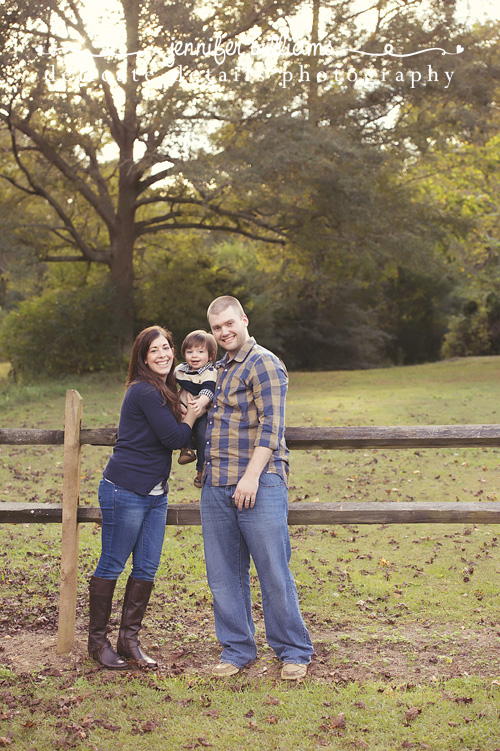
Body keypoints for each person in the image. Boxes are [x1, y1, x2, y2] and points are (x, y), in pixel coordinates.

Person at [200, 296, 313, 680]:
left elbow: (271, 426)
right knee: (223, 573)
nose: (224, 331)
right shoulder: (218, 368)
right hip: (216, 484)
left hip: (258, 482)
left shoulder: (262, 362)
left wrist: (250, 477)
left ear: (244, 319)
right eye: (217, 328)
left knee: (272, 568)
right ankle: (237, 649)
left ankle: (294, 650)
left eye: (230, 323)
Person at [88, 325, 199, 671]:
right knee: (112, 564)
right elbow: (173, 437)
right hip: (125, 490)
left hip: (155, 494)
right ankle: (96, 642)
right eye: (155, 350)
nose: (164, 354)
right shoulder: (144, 392)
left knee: (147, 567)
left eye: (167, 347)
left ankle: (129, 639)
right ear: (143, 357)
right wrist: (193, 415)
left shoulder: (164, 390)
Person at [174, 330, 217, 488]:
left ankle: (201, 469)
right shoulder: (180, 370)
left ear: (210, 356)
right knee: (180, 424)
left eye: (200, 351)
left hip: (201, 411)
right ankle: (186, 450)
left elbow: (208, 390)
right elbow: (170, 387)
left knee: (202, 434)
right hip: (184, 408)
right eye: (189, 351)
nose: (194, 355)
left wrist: (201, 403)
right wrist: (176, 402)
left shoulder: (209, 372)